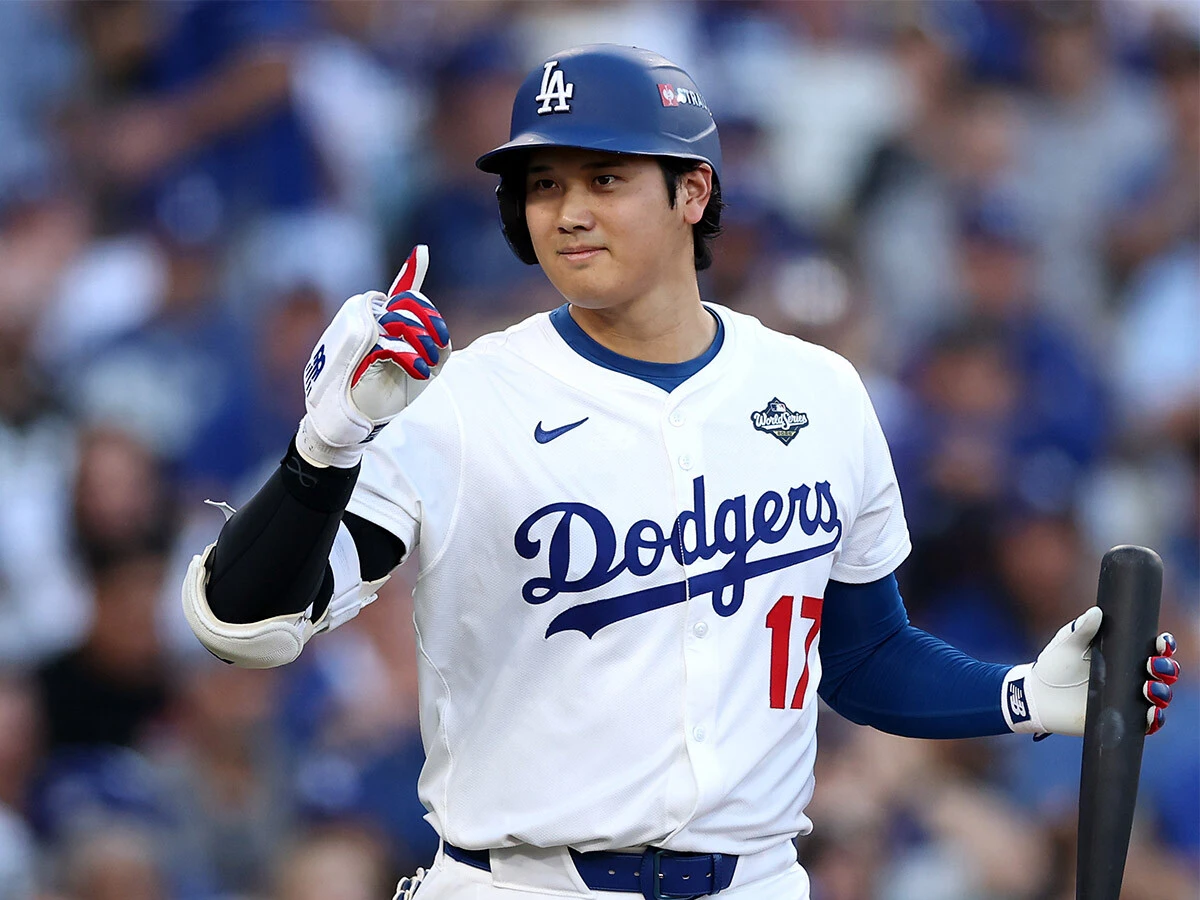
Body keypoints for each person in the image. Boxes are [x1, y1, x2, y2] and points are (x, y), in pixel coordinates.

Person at [180, 46, 1180, 900]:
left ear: (692, 191)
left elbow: (862, 655)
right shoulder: (459, 402)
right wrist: (327, 445)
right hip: (526, 881)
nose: (568, 211)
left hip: (757, 878)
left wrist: (1019, 695)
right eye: (543, 184)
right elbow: (246, 622)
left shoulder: (820, 391)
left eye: (605, 178)